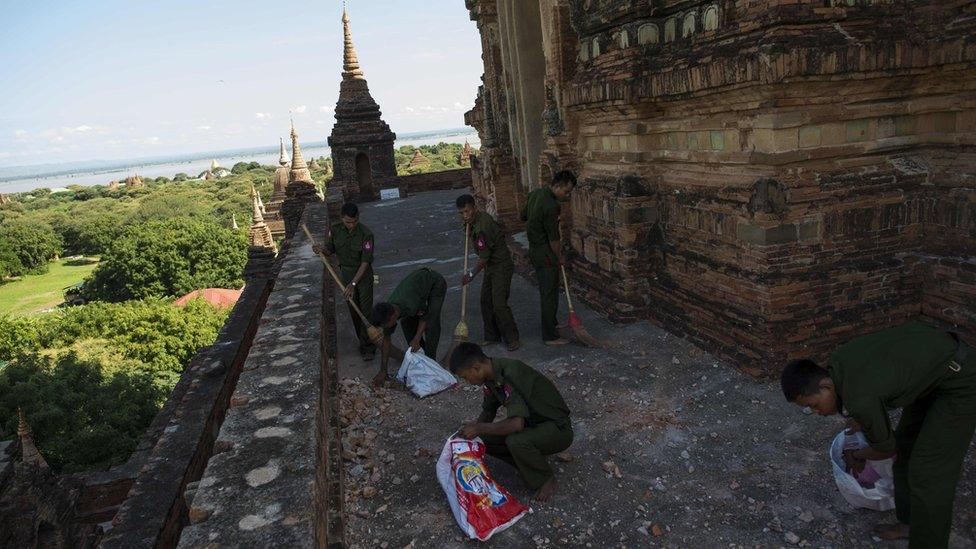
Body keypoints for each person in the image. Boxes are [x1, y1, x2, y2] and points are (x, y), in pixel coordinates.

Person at [780, 321, 975, 548]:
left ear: (825, 386)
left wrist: (858, 455)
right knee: (905, 450)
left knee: (928, 472)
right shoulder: (838, 365)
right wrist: (861, 419)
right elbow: (874, 388)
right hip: (932, 374)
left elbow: (885, 448)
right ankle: (909, 524)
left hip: (962, 379)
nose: (816, 412)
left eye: (814, 404)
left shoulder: (859, 398)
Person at [449, 342, 573, 502]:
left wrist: (479, 427)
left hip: (558, 428)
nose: (468, 381)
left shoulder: (510, 373)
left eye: (465, 377)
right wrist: (471, 436)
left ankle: (545, 478)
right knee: (482, 439)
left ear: (476, 368)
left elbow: (516, 424)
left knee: (515, 441)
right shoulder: (491, 376)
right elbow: (488, 411)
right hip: (534, 424)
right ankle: (528, 463)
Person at [312, 202, 376, 361]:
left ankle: (368, 347)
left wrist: (353, 284)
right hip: (345, 274)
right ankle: (362, 341)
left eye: (354, 222)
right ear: (342, 218)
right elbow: (330, 250)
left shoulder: (366, 234)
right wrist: (321, 250)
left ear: (358, 218)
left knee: (365, 311)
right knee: (354, 310)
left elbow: (365, 262)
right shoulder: (334, 230)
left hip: (363, 276)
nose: (351, 225)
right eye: (348, 222)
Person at [456, 194, 520, 352]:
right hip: (491, 266)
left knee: (499, 304)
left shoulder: (482, 227)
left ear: (474, 208)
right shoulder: (473, 221)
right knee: (485, 301)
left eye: (467, 211)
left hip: (501, 266)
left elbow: (484, 258)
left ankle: (512, 338)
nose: (465, 216)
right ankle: (492, 335)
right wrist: (467, 227)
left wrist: (470, 275)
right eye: (461, 213)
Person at [521, 170, 576, 346]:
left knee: (547, 291)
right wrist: (559, 256)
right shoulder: (552, 205)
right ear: (558, 185)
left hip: (534, 249)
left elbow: (522, 216)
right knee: (549, 293)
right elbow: (554, 239)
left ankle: (551, 323)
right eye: (566, 192)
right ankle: (550, 336)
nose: (566, 196)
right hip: (545, 252)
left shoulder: (535, 194)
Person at [370, 267, 447, 386]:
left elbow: (424, 316)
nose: (386, 327)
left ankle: (431, 362)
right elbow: (386, 342)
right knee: (406, 324)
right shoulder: (389, 312)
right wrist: (383, 370)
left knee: (431, 324)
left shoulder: (410, 304)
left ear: (394, 315)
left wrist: (416, 338)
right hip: (417, 290)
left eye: (386, 325)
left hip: (435, 285)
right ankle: (422, 357)